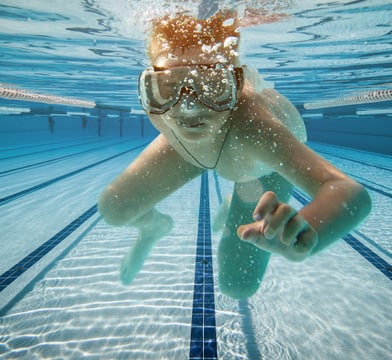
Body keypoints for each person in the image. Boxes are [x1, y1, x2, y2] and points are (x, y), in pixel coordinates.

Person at [98, 10, 371, 299]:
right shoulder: (164, 114)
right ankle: (155, 227)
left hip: (263, 167)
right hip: (208, 151)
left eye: (212, 85)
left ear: (236, 86)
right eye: (168, 86)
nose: (189, 108)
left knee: (237, 285)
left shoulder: (254, 127)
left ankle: (239, 194)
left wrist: (309, 231)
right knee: (115, 208)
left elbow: (348, 190)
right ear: (148, 86)